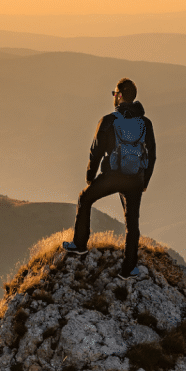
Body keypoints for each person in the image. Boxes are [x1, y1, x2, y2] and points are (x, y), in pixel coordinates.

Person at [63, 78, 156, 280]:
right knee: (132, 222)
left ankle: (79, 245)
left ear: (120, 96)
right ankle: (128, 268)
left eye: (115, 94)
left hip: (112, 177)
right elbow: (152, 154)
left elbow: (95, 151)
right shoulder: (146, 123)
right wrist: (144, 182)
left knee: (85, 199)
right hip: (135, 179)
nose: (114, 97)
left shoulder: (108, 121)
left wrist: (90, 176)